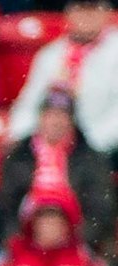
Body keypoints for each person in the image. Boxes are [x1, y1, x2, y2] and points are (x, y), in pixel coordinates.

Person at [0, 87, 115, 255]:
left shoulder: (91, 159)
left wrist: (74, 239)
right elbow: (5, 207)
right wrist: (17, 240)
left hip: (77, 244)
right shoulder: (17, 157)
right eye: (50, 115)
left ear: (71, 121)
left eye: (62, 116)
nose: (56, 121)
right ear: (40, 118)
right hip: (24, 242)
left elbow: (101, 210)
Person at [7, 0, 118, 156]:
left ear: (107, 13)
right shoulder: (51, 54)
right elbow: (29, 102)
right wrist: (22, 137)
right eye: (80, 9)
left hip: (104, 145)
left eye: (93, 9)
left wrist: (91, 145)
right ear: (68, 14)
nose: (87, 16)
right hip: (56, 143)